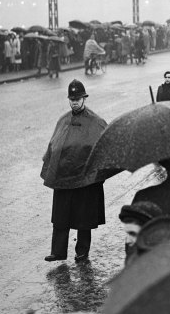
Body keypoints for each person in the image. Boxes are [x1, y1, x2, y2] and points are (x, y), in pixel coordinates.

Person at [41, 79, 108, 262]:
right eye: (72, 99)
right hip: (64, 176)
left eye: (78, 98)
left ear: (84, 98)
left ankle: (82, 251)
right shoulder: (63, 121)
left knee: (83, 216)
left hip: (84, 177)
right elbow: (54, 145)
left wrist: (95, 175)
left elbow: (103, 146)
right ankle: (58, 251)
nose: (75, 102)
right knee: (61, 215)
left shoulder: (95, 121)